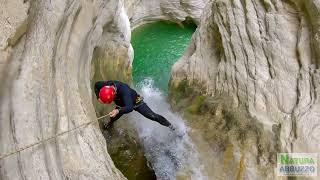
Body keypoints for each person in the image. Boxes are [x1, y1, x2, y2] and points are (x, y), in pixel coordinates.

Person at [94, 80, 175, 130]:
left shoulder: (124, 90)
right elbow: (96, 85)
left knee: (153, 116)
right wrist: (98, 97)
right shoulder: (106, 85)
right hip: (121, 104)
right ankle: (110, 124)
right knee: (113, 118)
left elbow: (130, 108)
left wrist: (118, 110)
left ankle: (171, 126)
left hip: (136, 103)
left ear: (114, 94)